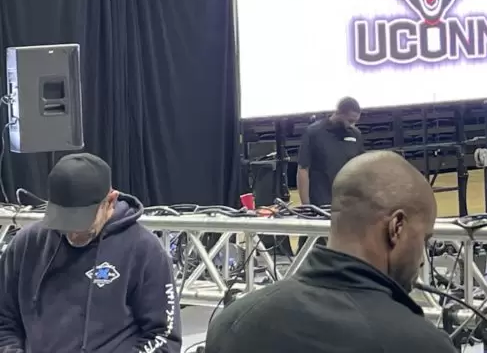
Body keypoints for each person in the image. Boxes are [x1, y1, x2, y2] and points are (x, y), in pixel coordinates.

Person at [205, 151, 455, 353]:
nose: (422, 259)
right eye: (424, 238)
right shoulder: (419, 344)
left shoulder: (232, 323)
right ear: (396, 227)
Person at [0, 153, 181, 353]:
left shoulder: (145, 251)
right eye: (64, 223)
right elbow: (4, 320)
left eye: (82, 224)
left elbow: (163, 337)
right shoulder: (26, 245)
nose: (73, 233)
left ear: (110, 201)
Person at [297, 97, 364, 208]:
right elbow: (303, 169)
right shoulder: (314, 133)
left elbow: (362, 169)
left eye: (355, 122)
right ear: (338, 112)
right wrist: (306, 205)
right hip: (321, 204)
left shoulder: (355, 134)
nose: (352, 125)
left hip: (348, 204)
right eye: (350, 121)